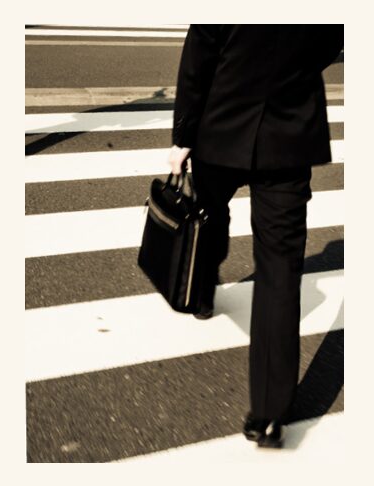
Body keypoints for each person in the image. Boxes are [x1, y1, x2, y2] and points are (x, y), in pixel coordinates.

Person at [168, 24, 344, 448]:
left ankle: (204, 291)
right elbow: (333, 42)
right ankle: (268, 414)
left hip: (221, 125)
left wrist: (183, 136)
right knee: (280, 268)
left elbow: (198, 60)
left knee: (208, 214)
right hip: (288, 136)